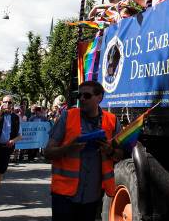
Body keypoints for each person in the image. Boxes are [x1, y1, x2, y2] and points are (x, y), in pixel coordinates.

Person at [45, 81, 124, 221]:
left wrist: (109, 150)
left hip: (91, 197)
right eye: (79, 95)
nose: (81, 99)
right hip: (64, 196)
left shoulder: (112, 121)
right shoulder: (67, 116)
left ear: (99, 97)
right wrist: (69, 147)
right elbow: (48, 152)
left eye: (87, 95)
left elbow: (119, 156)